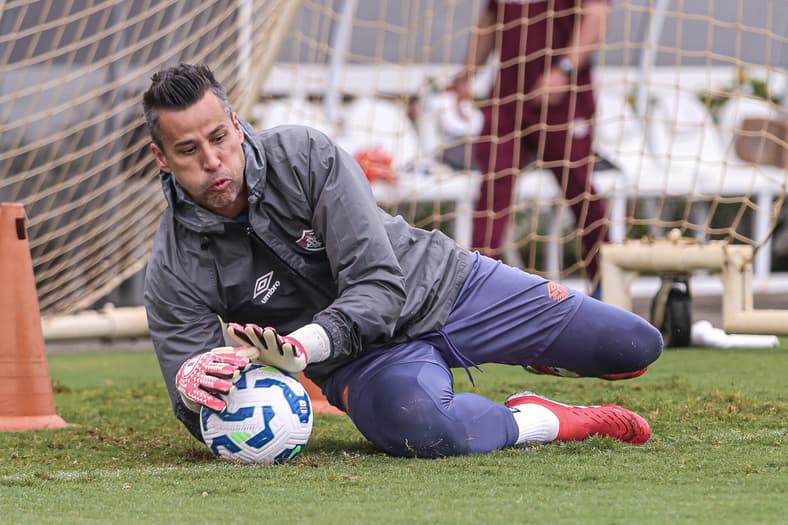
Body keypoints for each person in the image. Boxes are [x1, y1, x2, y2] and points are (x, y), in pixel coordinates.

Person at [142, 63, 662, 458]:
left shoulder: (305, 156)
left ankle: (531, 346)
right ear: (161, 158)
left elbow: (379, 285)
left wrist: (302, 346)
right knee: (424, 429)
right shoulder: (171, 266)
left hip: (443, 285)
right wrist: (199, 388)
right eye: (188, 151)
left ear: (236, 125)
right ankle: (543, 418)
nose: (212, 162)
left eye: (218, 139)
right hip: (362, 361)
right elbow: (190, 389)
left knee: (635, 345)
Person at [453, 0, 611, 294]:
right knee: (492, 195)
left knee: (579, 189)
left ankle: (607, 282)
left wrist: (563, 69)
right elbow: (490, 19)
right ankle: (478, 293)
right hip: (507, 97)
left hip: (565, 98)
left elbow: (597, 15)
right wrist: (467, 75)